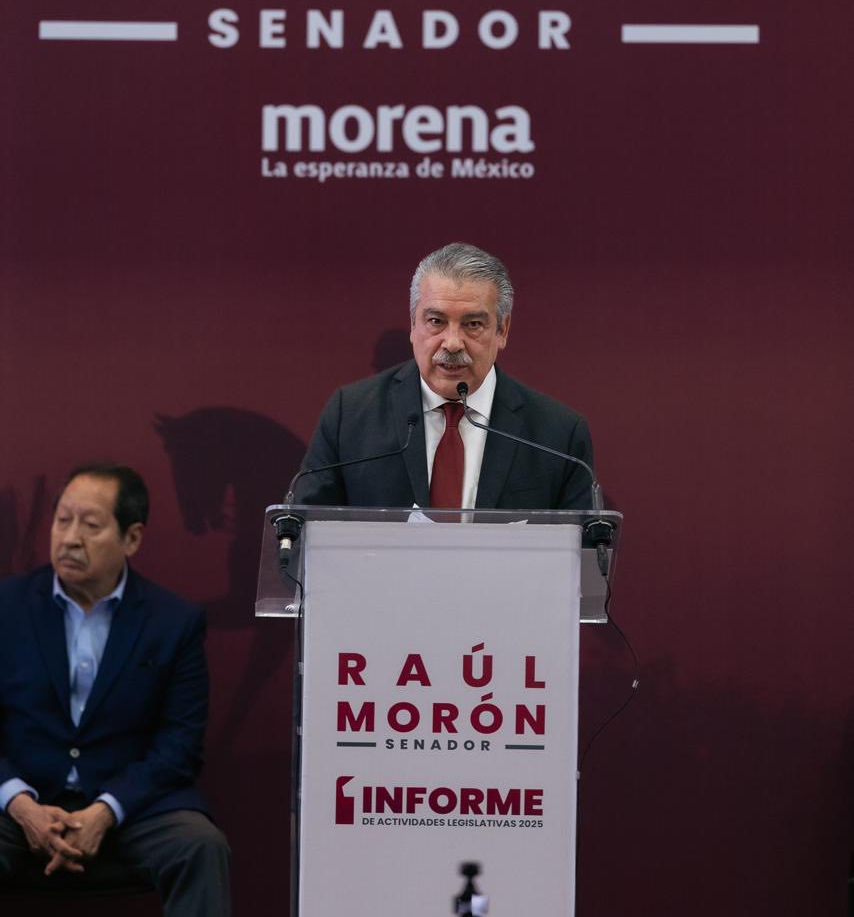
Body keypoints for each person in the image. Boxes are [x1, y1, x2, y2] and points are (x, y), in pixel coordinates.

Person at [0, 462, 231, 914]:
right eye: (62, 520)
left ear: (132, 538)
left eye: (90, 525)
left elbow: (180, 745)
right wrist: (20, 803)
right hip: (21, 801)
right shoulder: (7, 607)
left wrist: (107, 809)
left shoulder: (173, 623)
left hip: (129, 807)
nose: (70, 538)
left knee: (200, 845)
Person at [298, 242, 594, 511]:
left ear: (502, 330)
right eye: (436, 321)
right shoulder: (350, 415)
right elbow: (303, 534)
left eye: (473, 324)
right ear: (413, 324)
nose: (452, 343)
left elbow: (582, 548)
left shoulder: (558, 436)